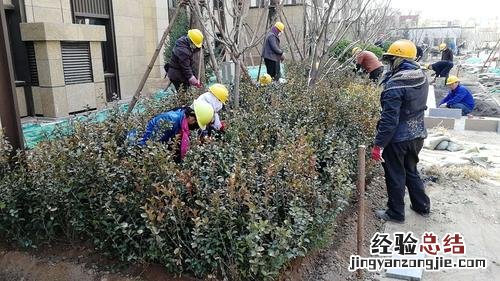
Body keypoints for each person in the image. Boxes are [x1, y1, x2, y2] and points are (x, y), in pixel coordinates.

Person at [371, 39, 431, 223]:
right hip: (418, 134)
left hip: (398, 139)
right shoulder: (421, 76)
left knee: (395, 173)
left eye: (391, 60)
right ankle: (422, 206)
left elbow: (390, 121)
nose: (389, 64)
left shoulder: (395, 85)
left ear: (398, 59)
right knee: (411, 169)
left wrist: (379, 145)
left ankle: (395, 213)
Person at [138, 100, 214, 162]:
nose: (195, 125)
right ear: (191, 115)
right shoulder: (171, 120)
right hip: (141, 146)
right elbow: (150, 142)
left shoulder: (182, 121)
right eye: (196, 122)